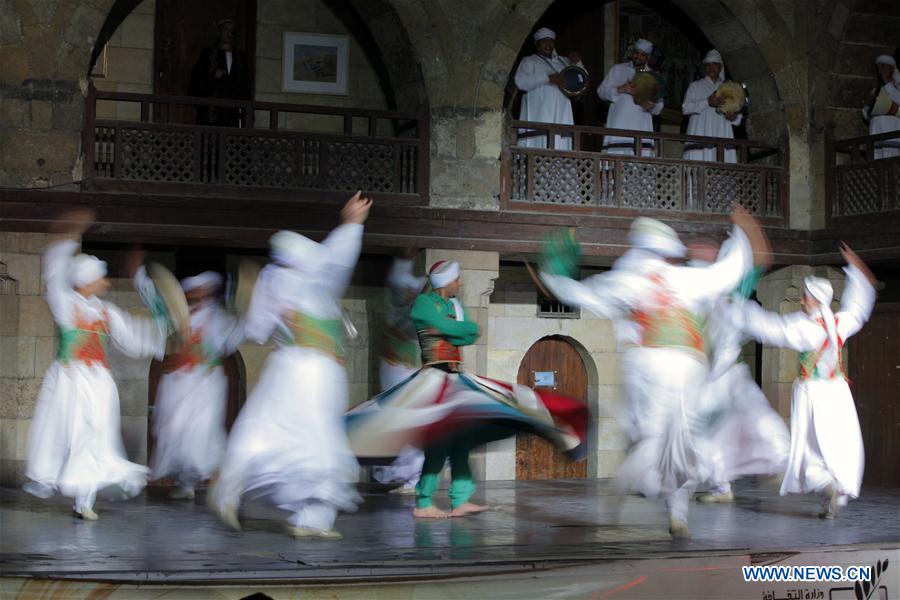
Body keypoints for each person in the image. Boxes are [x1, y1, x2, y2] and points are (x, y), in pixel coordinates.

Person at [539, 209, 768, 538]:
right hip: (686, 365)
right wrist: (744, 234)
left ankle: (626, 486)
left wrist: (555, 275)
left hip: (646, 364)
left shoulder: (629, 279)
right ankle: (677, 514)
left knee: (651, 438)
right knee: (679, 440)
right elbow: (728, 272)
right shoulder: (686, 278)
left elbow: (582, 294)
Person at [347, 260, 588, 519]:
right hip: (432, 378)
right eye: (457, 279)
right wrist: (456, 329)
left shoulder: (453, 306)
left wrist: (455, 329)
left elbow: (467, 335)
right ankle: (424, 501)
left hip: (455, 378)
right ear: (446, 281)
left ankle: (460, 499)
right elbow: (455, 329)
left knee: (460, 441)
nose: (459, 283)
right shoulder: (425, 303)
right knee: (439, 442)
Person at [209, 192, 371, 539]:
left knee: (316, 442)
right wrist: (351, 226)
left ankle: (310, 518)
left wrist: (351, 225)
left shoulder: (316, 281)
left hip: (322, 372)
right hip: (298, 370)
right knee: (284, 435)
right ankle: (231, 484)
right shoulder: (282, 280)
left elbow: (333, 259)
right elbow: (257, 326)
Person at [23, 210, 167, 520]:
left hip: (100, 382)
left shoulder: (107, 311)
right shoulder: (66, 303)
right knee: (74, 435)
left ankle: (84, 501)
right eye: (100, 277)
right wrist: (66, 238)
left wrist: (161, 324)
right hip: (71, 379)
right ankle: (72, 490)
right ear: (86, 282)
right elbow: (54, 276)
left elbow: (135, 337)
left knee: (97, 436)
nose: (104, 282)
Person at [726, 243, 876, 518]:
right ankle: (833, 494)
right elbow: (858, 308)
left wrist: (737, 307)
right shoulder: (841, 321)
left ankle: (826, 485)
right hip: (838, 393)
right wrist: (858, 273)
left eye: (805, 298)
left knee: (807, 446)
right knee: (838, 443)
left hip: (813, 394)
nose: (802, 301)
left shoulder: (803, 327)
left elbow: (770, 328)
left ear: (816, 301)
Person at [686, 243, 789, 503]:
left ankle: (778, 460)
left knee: (755, 413)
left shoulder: (732, 301)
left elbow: (759, 262)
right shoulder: (700, 292)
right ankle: (721, 487)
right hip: (708, 377)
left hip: (729, 373)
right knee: (705, 434)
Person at [140, 270, 242, 500]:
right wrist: (139, 276)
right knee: (175, 431)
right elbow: (153, 300)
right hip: (178, 384)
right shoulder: (176, 313)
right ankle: (185, 484)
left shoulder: (218, 317)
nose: (197, 294)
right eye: (193, 291)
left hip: (204, 385)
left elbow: (234, 336)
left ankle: (222, 479)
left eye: (203, 290)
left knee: (201, 433)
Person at [371, 251, 427, 494]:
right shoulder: (398, 303)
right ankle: (404, 476)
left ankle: (415, 479)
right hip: (396, 368)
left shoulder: (420, 310)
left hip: (412, 371)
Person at [513, 27, 586, 150]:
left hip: (562, 112)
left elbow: (581, 82)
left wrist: (578, 63)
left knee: (561, 142)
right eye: (544, 41)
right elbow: (520, 82)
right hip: (539, 112)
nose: (548, 44)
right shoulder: (529, 61)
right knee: (539, 142)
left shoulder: (563, 61)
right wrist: (548, 78)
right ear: (537, 44)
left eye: (550, 41)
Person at [597, 38, 663, 156]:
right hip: (618, 126)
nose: (638, 56)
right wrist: (621, 89)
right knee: (615, 163)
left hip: (641, 126)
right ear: (632, 53)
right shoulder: (617, 69)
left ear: (648, 57)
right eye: (636, 53)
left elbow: (658, 108)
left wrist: (647, 103)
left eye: (642, 54)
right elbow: (601, 92)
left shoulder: (653, 76)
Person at [188, 18, 252, 127]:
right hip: (212, 111)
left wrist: (249, 112)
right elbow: (196, 81)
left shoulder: (240, 56)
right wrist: (213, 77)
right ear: (219, 33)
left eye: (232, 30)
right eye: (226, 30)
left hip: (233, 111)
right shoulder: (208, 54)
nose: (229, 33)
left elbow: (245, 84)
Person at [682, 50, 742, 163]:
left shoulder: (729, 88)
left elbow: (738, 119)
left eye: (715, 64)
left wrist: (732, 116)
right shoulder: (695, 86)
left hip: (722, 135)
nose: (711, 67)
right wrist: (707, 103)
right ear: (705, 67)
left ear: (720, 67)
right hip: (700, 136)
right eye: (708, 65)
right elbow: (685, 109)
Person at [863, 55, 900, 159]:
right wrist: (868, 107)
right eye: (878, 68)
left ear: (891, 68)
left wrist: (888, 84)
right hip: (877, 130)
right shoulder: (876, 90)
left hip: (893, 132)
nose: (880, 71)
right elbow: (867, 115)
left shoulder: (898, 88)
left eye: (883, 67)